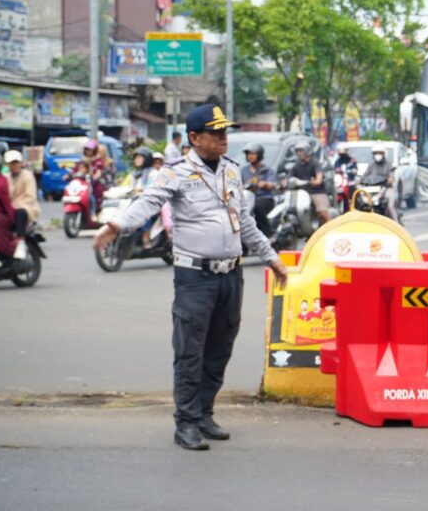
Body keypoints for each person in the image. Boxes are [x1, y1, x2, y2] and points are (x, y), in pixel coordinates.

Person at [92, 104, 288, 451]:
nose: (224, 138)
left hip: (231, 275)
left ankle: (204, 413)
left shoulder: (231, 169)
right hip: (195, 277)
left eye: (225, 131)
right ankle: (186, 422)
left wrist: (271, 258)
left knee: (220, 349)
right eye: (216, 133)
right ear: (195, 138)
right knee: (190, 351)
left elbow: (245, 221)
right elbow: (148, 202)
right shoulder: (176, 173)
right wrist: (117, 225)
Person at [4, 150, 39, 260]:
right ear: (7, 164)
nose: (14, 165)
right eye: (12, 163)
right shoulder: (5, 178)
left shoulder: (28, 176)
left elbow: (30, 196)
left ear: (20, 163)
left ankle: (21, 241)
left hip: (27, 206)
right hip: (9, 208)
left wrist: (13, 205)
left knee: (20, 212)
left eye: (16, 162)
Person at [241, 143, 278, 238]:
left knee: (258, 208)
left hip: (264, 198)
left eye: (253, 154)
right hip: (248, 199)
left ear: (259, 155)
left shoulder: (267, 170)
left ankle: (269, 235)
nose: (250, 156)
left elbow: (273, 184)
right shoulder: (244, 170)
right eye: (248, 154)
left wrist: (265, 184)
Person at [289, 141, 330, 225]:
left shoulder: (315, 163)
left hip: (316, 191)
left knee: (322, 212)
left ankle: (330, 228)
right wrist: (283, 183)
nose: (299, 153)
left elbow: (319, 175)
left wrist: (317, 181)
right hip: (301, 193)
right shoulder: (296, 165)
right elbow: (289, 177)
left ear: (307, 151)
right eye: (297, 151)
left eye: (301, 151)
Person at [361, 144, 398, 222]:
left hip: (386, 188)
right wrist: (360, 180)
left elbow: (392, 175)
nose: (378, 155)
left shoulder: (388, 165)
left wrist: (390, 179)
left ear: (383, 154)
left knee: (390, 206)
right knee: (362, 203)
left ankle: (396, 223)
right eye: (376, 153)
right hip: (374, 190)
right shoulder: (371, 165)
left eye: (380, 153)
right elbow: (364, 176)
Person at [74, 140, 107, 214]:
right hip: (80, 182)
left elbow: (98, 172)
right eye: (86, 149)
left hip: (93, 183)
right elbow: (75, 170)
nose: (88, 151)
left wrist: (94, 176)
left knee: (91, 196)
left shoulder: (98, 160)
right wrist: (69, 175)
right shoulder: (81, 160)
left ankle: (93, 213)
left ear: (94, 150)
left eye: (90, 149)